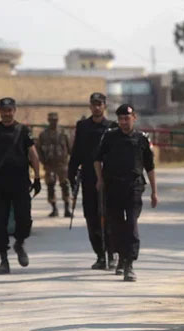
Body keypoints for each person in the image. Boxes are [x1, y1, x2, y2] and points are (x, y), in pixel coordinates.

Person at [94, 104, 157, 282]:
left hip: (134, 188)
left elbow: (150, 167)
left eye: (127, 118)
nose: (123, 122)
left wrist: (154, 191)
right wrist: (100, 179)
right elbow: (97, 160)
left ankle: (129, 263)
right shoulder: (109, 137)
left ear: (134, 117)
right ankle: (120, 257)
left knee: (131, 225)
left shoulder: (142, 139)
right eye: (120, 119)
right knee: (115, 226)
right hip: (113, 187)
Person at [0, 97, 41, 275]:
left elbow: (33, 155)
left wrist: (37, 178)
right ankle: (3, 260)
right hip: (0, 184)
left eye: (10, 110)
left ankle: (19, 243)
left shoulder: (23, 131)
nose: (7, 113)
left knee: (24, 220)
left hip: (20, 182)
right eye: (4, 110)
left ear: (14, 110)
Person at [68, 93, 119, 270]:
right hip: (88, 179)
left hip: (109, 180)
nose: (97, 107)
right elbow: (76, 152)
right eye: (94, 104)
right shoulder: (82, 126)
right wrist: (71, 173)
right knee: (92, 218)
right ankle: (100, 255)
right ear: (90, 106)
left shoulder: (112, 127)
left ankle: (112, 254)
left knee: (109, 218)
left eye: (100, 104)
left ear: (104, 106)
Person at [37, 112, 72, 217]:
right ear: (48, 120)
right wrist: (43, 162)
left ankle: (67, 209)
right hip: (50, 164)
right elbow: (38, 150)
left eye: (55, 120)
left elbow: (69, 148)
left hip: (62, 164)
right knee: (50, 185)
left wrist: (72, 163)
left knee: (65, 185)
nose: (53, 122)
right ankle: (54, 208)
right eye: (51, 120)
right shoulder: (43, 135)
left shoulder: (63, 133)